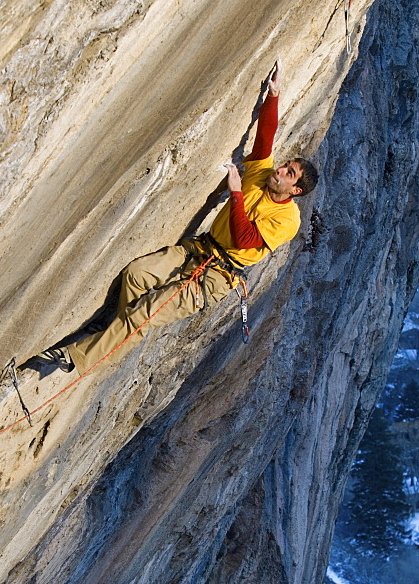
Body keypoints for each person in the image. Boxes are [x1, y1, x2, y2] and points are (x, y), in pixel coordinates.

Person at [31, 60, 318, 378]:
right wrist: (273, 96)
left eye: (288, 173)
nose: (280, 170)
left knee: (146, 311)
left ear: (296, 189)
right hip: (198, 250)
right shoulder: (263, 173)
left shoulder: (287, 219)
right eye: (285, 166)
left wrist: (236, 193)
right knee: (136, 276)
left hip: (215, 277)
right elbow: (265, 139)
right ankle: (118, 337)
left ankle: (74, 358)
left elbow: (245, 239)